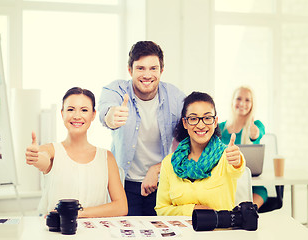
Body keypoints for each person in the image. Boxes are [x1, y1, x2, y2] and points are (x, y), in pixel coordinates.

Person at [98, 41, 241, 216]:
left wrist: (157, 168)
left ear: (161, 71)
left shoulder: (175, 98)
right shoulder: (117, 90)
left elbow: (195, 129)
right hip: (125, 183)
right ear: (130, 70)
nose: (147, 74)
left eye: (153, 68)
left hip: (161, 182)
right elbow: (106, 110)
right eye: (140, 68)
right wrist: (112, 116)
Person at [25, 87, 128, 218]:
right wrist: (35, 157)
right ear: (62, 114)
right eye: (70, 109)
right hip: (57, 234)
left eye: (84, 110)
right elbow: (42, 159)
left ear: (93, 115)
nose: (77, 116)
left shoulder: (106, 157)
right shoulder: (51, 150)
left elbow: (121, 206)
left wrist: (77, 213)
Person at [155, 91, 245, 216]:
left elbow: (237, 168)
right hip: (183, 233)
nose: (201, 125)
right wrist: (192, 210)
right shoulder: (169, 163)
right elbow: (161, 210)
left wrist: (237, 160)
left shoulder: (226, 156)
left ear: (215, 122)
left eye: (207, 118)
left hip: (219, 233)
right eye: (193, 119)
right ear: (185, 123)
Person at [219, 85, 266, 208]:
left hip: (250, 181)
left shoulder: (256, 125)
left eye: (247, 100)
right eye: (239, 99)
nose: (242, 103)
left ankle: (247, 212)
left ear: (252, 104)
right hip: (225, 179)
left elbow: (257, 133)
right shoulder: (219, 128)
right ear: (232, 101)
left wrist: (254, 134)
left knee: (261, 191)